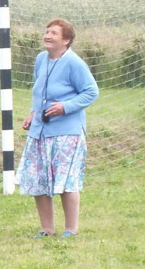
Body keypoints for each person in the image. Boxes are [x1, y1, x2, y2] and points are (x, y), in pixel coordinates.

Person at [17, 18, 99, 238]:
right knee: (38, 179)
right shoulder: (41, 59)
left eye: (53, 33)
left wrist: (65, 107)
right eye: (46, 31)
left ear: (66, 40)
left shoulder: (74, 63)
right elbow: (39, 92)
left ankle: (71, 230)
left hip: (67, 132)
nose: (47, 35)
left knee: (66, 180)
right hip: (40, 131)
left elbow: (91, 92)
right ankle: (47, 229)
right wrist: (33, 113)